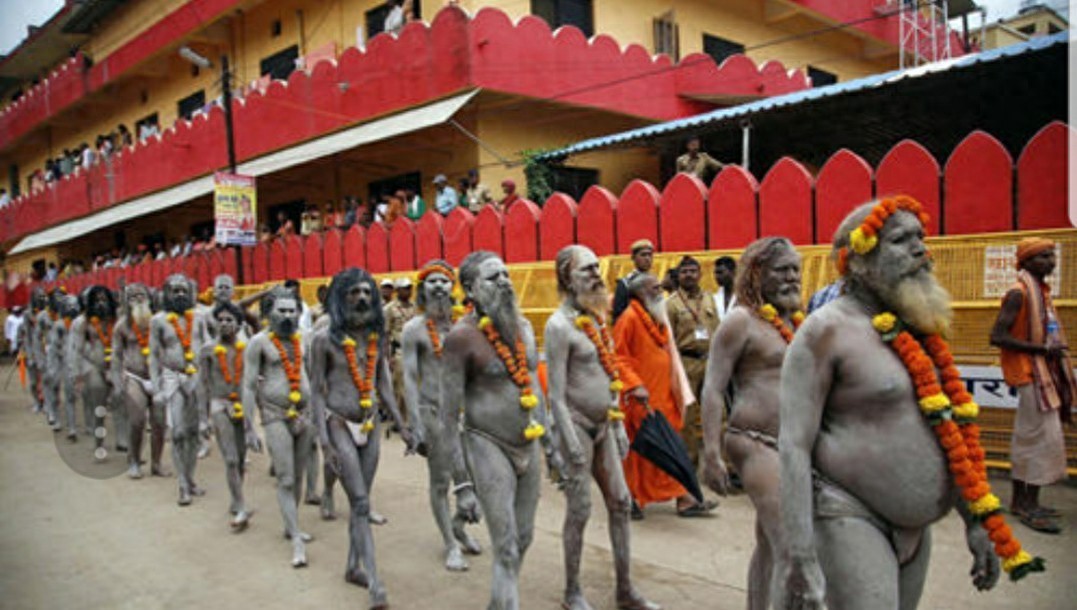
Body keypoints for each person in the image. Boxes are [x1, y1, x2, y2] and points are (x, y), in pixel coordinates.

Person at [776, 198, 1016, 609]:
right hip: (849, 513)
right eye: (901, 240)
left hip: (917, 529)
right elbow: (793, 445)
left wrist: (976, 520)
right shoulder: (825, 330)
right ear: (858, 261)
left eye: (920, 237)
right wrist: (800, 553)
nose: (920, 249)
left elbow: (950, 431)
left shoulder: (921, 330)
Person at [441, 250, 563, 609]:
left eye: (506, 275)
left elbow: (534, 388)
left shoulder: (522, 327)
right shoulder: (460, 338)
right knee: (506, 545)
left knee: (523, 538)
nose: (505, 282)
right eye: (493, 278)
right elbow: (447, 416)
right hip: (487, 443)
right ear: (470, 289)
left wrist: (551, 444)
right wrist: (462, 484)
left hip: (528, 442)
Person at [545, 245, 660, 610]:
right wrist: (568, 442)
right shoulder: (558, 326)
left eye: (597, 268)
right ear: (567, 279)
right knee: (579, 509)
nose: (596, 275)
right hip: (576, 425)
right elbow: (556, 396)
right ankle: (572, 592)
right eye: (587, 270)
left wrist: (617, 424)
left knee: (621, 503)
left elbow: (610, 375)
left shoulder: (596, 318)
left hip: (604, 425)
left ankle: (625, 590)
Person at [700, 237, 803, 610]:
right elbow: (713, 388)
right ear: (758, 274)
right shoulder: (740, 321)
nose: (792, 277)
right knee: (790, 546)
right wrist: (712, 453)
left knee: (768, 545)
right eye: (782, 270)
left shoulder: (797, 321)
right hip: (753, 441)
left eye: (795, 269)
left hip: (793, 445)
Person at [310, 268, 414, 602]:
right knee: (360, 501)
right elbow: (316, 392)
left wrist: (402, 425)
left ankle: (352, 566)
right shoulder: (323, 339)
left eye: (367, 292)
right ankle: (375, 582)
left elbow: (383, 382)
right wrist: (324, 442)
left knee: (360, 502)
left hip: (370, 424)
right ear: (341, 298)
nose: (362, 298)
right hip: (338, 423)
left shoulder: (375, 337)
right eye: (354, 292)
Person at [401, 260, 483, 571]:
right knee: (440, 481)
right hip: (433, 413)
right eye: (432, 281)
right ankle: (450, 544)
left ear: (453, 287)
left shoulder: (465, 327)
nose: (438, 286)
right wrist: (415, 424)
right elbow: (410, 378)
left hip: (468, 414)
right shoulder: (413, 329)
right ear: (422, 289)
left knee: (475, 477)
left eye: (444, 281)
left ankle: (458, 526)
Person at [990, 237, 1074, 533]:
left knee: (1037, 439)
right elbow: (997, 336)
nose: (1051, 261)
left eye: (1052, 256)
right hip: (1029, 375)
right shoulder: (1019, 293)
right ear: (1026, 261)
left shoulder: (1041, 293)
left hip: (1042, 375)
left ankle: (1025, 502)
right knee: (1036, 440)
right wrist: (1041, 350)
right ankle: (1026, 506)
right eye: (1043, 256)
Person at [614, 273, 711, 518]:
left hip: (663, 396)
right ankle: (631, 499)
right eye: (655, 288)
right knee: (639, 453)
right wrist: (635, 385)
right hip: (640, 399)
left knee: (669, 447)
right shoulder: (629, 318)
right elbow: (618, 358)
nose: (661, 292)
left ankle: (684, 498)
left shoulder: (656, 317)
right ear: (640, 293)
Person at [243, 287, 314, 567]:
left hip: (305, 414)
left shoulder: (305, 338)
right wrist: (249, 426)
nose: (287, 316)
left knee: (298, 475)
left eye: (292, 311)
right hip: (275, 414)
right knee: (285, 478)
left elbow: (314, 377)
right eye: (281, 311)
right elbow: (249, 385)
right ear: (268, 314)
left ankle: (290, 524)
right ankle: (296, 539)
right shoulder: (258, 343)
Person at [198, 301, 262, 530]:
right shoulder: (208, 350)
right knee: (231, 459)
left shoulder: (248, 348)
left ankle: (237, 498)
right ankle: (241, 505)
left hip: (242, 406)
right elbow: (203, 385)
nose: (224, 324)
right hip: (219, 405)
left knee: (241, 458)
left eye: (229, 320)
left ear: (239, 324)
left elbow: (253, 384)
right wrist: (202, 418)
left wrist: (256, 417)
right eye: (220, 320)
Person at [150, 275, 206, 505]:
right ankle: (182, 484)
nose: (180, 294)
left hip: (195, 377)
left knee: (193, 433)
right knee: (178, 433)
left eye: (184, 290)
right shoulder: (158, 320)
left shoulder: (199, 317)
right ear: (166, 294)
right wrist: (157, 389)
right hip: (172, 377)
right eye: (175, 291)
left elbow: (207, 347)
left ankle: (190, 479)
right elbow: (154, 357)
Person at [664, 256, 719, 471]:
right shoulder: (671, 304)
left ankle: (722, 464)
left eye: (693, 271)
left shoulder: (709, 299)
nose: (689, 275)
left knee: (718, 413)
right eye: (684, 271)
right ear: (678, 276)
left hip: (710, 361)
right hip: (685, 363)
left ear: (700, 274)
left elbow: (717, 329)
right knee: (686, 416)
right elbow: (667, 338)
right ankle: (689, 464)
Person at [112, 283, 169, 479]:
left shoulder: (159, 322)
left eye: (141, 295)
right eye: (132, 296)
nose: (137, 299)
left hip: (158, 377)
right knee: (137, 421)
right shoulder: (122, 326)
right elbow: (116, 356)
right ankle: (134, 461)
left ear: (149, 298)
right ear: (126, 302)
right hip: (134, 377)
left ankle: (157, 463)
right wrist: (117, 381)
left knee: (160, 422)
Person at [72, 286, 124, 450]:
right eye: (97, 300)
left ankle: (121, 441)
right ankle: (99, 440)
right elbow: (77, 349)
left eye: (104, 299)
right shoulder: (83, 322)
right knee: (99, 405)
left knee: (119, 401)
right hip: (95, 366)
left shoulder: (117, 319)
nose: (101, 303)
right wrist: (78, 375)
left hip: (115, 366)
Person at [384, 277, 416, 427]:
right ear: (397, 291)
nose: (409, 291)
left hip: (415, 349)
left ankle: (413, 419)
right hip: (399, 351)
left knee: (415, 386)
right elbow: (385, 334)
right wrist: (387, 357)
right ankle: (402, 421)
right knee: (401, 388)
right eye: (405, 288)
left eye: (410, 288)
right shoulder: (389, 309)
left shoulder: (415, 307)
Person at [611, 239, 655, 323]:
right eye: (643, 255)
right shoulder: (625, 283)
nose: (647, 258)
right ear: (633, 258)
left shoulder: (655, 282)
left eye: (649, 255)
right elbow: (619, 316)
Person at [712, 256, 737, 321]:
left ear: (733, 272)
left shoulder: (745, 296)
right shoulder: (714, 298)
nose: (717, 276)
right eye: (715, 273)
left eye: (720, 272)